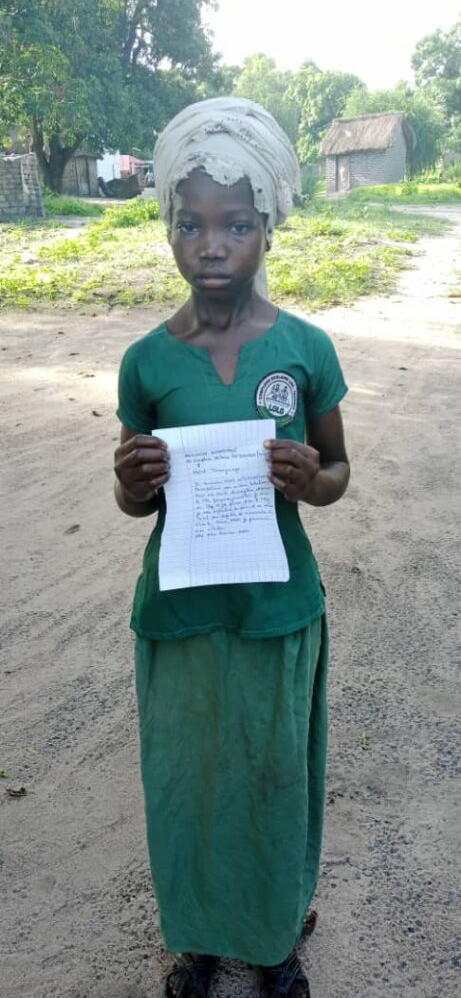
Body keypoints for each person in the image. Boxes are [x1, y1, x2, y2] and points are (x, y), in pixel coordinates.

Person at [114, 97, 350, 998]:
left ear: (268, 228)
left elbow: (337, 472)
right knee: (187, 776)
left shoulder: (304, 349)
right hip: (179, 610)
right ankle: (199, 939)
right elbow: (133, 502)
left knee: (270, 772)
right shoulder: (147, 362)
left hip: (275, 609)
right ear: (169, 230)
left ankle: (273, 937)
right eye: (190, 224)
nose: (210, 245)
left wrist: (309, 478)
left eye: (236, 224)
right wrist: (132, 481)